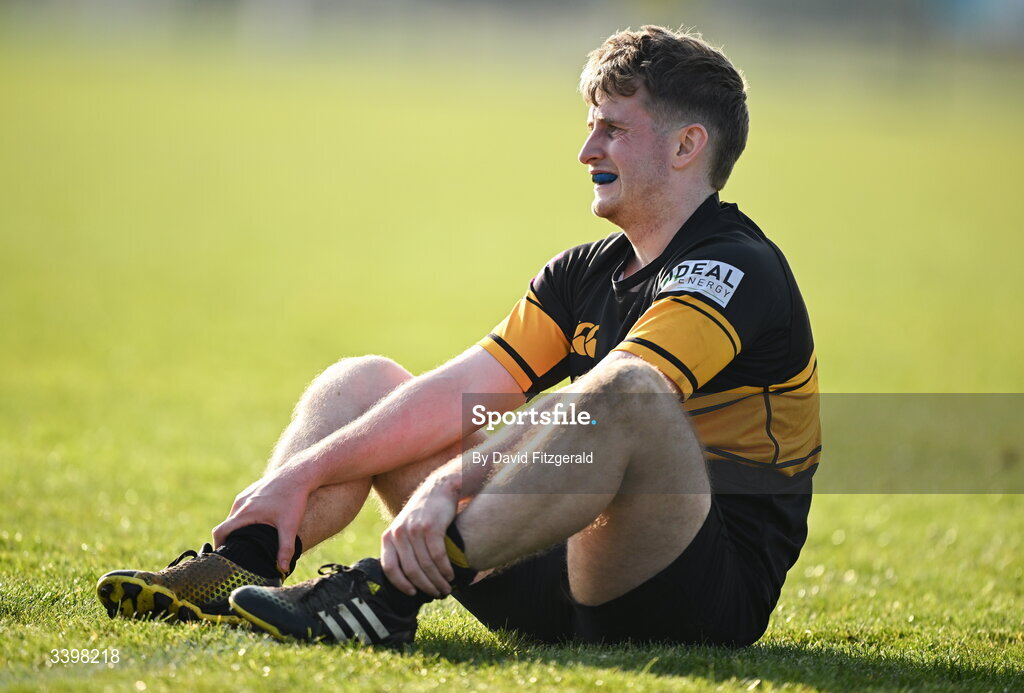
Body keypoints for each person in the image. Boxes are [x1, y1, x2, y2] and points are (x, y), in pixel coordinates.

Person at [97, 25, 820, 647]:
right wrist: (299, 475)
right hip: (548, 557)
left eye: (613, 129)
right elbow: (459, 395)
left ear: (688, 145)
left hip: (688, 590)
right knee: (366, 381)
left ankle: (381, 595)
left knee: (624, 394)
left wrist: (448, 485)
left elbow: (609, 403)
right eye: (590, 124)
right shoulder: (581, 273)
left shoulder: (733, 267)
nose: (585, 149)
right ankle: (243, 560)